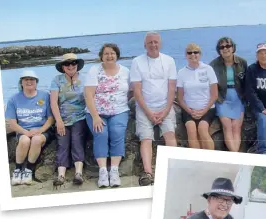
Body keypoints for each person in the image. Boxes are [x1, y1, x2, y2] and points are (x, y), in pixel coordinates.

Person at [130, 31, 177, 186]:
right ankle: (148, 173)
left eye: (156, 42)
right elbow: (137, 91)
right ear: (145, 45)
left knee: (170, 135)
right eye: (150, 42)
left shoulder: (169, 61)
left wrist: (165, 110)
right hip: (145, 107)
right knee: (146, 138)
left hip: (165, 105)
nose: (153, 45)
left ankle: (173, 169)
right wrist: (149, 113)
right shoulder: (137, 62)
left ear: (160, 43)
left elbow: (172, 89)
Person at [84, 43, 131, 188]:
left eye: (112, 53)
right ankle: (103, 171)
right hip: (96, 112)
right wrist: (96, 116)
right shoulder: (94, 70)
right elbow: (88, 95)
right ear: (101, 57)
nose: (110, 56)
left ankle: (114, 171)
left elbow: (132, 91)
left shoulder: (125, 71)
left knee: (117, 131)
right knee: (101, 133)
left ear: (117, 55)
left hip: (119, 110)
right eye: (106, 54)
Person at [5, 70, 54, 186]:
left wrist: (40, 130)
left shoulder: (45, 96)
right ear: (21, 82)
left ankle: (28, 171)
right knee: (24, 140)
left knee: (36, 140)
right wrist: (25, 132)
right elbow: (12, 123)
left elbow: (51, 119)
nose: (29, 82)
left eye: (32, 79)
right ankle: (17, 170)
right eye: (26, 79)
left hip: (43, 130)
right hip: (23, 130)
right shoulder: (14, 99)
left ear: (36, 82)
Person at [50, 53, 87, 186]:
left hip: (80, 116)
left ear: (77, 65)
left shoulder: (86, 78)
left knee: (77, 140)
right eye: (67, 64)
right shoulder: (56, 80)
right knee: (62, 143)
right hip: (63, 118)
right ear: (62, 67)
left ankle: (78, 173)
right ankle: (61, 175)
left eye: (73, 63)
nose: (71, 66)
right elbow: (53, 102)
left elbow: (91, 98)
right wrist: (58, 121)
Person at [177, 43, 218, 150]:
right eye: (189, 52)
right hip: (189, 110)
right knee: (191, 130)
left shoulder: (208, 69)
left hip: (207, 109)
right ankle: (197, 161)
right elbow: (180, 98)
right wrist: (190, 111)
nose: (193, 55)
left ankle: (210, 160)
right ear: (186, 55)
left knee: (202, 130)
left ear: (200, 54)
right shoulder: (181, 73)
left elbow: (214, 95)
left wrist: (203, 111)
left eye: (196, 52)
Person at [210, 37, 248, 152]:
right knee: (227, 127)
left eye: (228, 46)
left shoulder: (242, 62)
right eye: (222, 47)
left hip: (238, 97)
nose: (225, 49)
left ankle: (234, 155)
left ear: (233, 48)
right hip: (222, 98)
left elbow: (247, 82)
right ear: (219, 50)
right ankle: (235, 155)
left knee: (236, 127)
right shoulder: (213, 65)